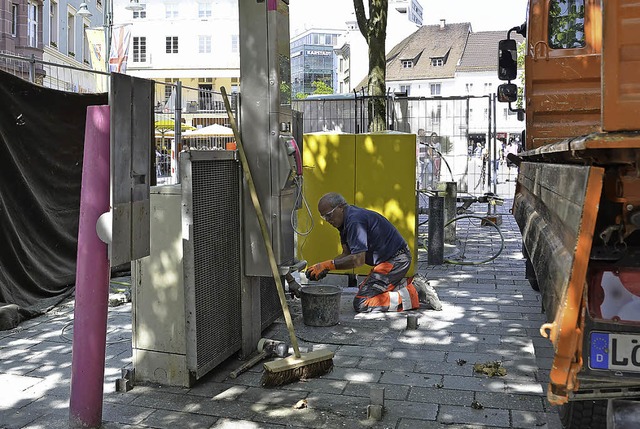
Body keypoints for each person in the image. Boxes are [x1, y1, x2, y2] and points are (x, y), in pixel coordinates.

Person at [305, 193, 442, 312]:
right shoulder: (344, 222)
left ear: (341, 207)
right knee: (367, 289)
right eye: (324, 217)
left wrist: (328, 265)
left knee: (363, 302)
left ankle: (416, 292)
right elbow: (347, 255)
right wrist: (324, 267)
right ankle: (411, 284)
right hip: (390, 260)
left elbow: (358, 260)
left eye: (329, 215)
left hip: (395, 260)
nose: (327, 221)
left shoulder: (354, 221)